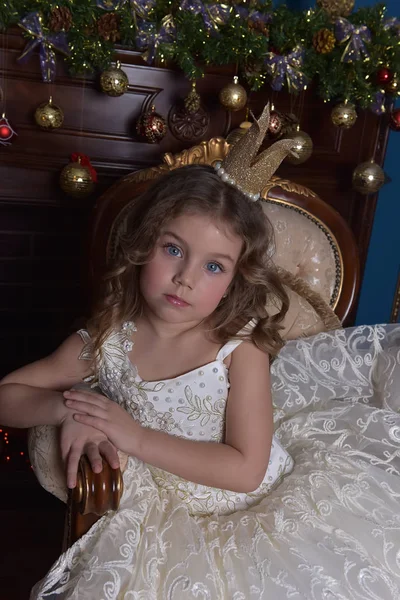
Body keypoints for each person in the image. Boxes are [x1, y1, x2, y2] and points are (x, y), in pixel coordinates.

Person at [1, 106, 400, 599]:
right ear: (143, 244)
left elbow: (244, 469)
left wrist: (133, 435)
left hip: (260, 509)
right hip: (165, 516)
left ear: (237, 277)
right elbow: (9, 393)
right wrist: (73, 409)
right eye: (173, 249)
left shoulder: (239, 347)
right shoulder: (108, 337)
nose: (186, 277)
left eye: (214, 266)